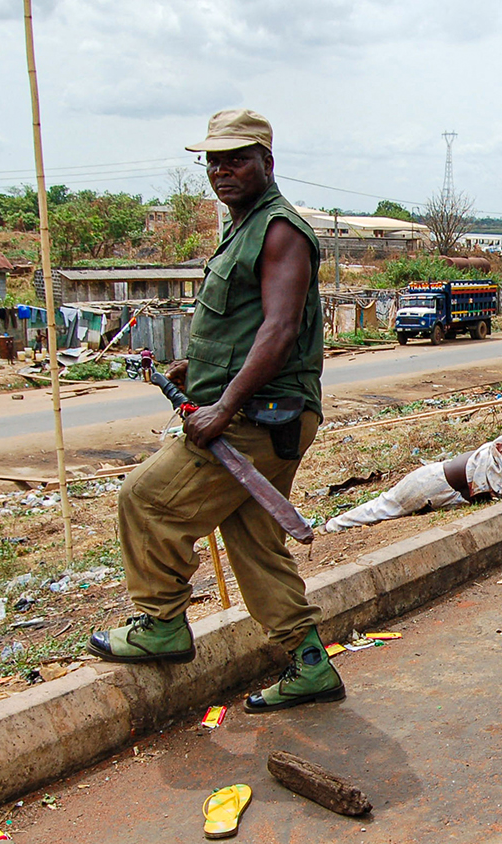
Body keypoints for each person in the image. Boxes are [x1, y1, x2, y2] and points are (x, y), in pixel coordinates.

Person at [87, 109, 340, 714]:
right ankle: (309, 663)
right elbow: (246, 326)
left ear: (267, 163)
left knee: (145, 500)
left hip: (260, 416)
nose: (223, 171)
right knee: (252, 535)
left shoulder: (279, 231)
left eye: (237, 159)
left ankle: (161, 624)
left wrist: (222, 405)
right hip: (264, 411)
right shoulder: (243, 228)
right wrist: (196, 376)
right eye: (214, 161)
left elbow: (279, 330)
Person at [324, 434, 502, 532]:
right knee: (384, 507)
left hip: (445, 489)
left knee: (386, 507)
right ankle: (334, 525)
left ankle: (335, 524)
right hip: (431, 483)